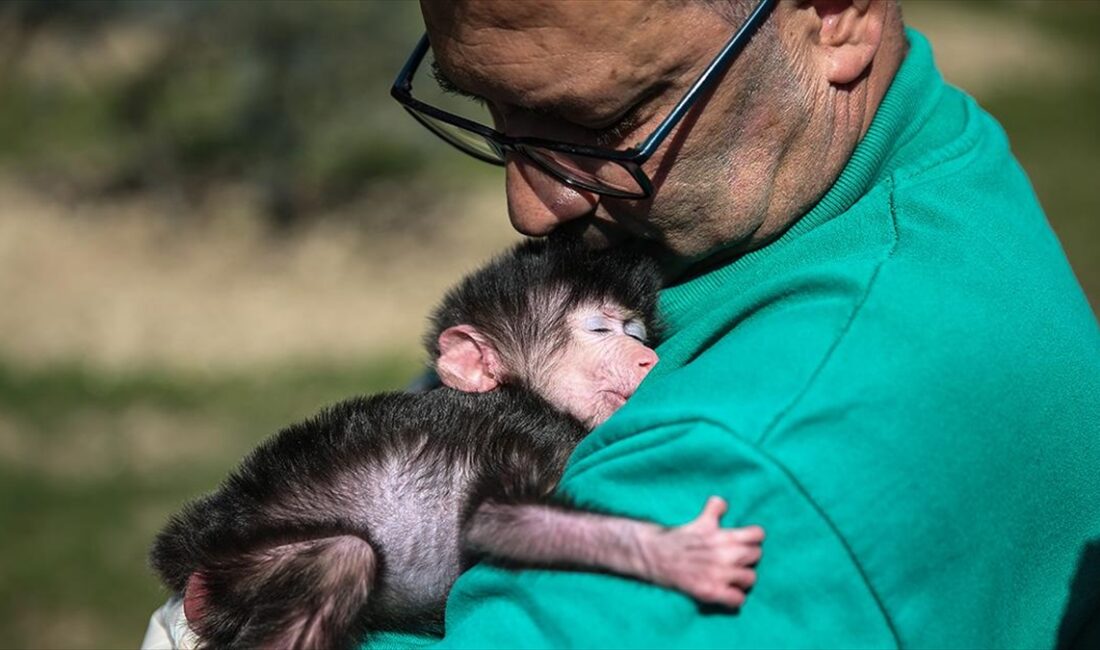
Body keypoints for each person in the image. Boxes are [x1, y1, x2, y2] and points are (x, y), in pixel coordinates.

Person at [144, 1, 1099, 647]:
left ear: (836, 15)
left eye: (602, 125)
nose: (528, 207)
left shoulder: (752, 465)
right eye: (493, 113)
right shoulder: (924, 159)